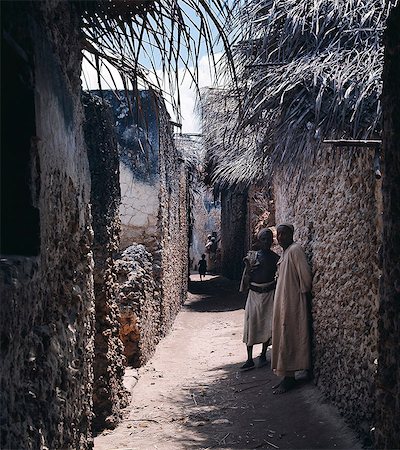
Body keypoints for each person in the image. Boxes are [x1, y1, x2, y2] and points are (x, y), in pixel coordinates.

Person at [271, 223, 312, 394]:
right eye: (279, 234)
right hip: (284, 302)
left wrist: (297, 297)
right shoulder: (286, 252)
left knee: (288, 337)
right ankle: (286, 376)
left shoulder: (295, 250)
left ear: (291, 234)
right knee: (283, 336)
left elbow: (306, 278)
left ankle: (289, 378)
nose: (281, 237)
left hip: (292, 302)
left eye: (284, 234)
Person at [240, 228, 280, 370]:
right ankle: (249, 358)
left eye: (269, 239)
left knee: (268, 325)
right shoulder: (253, 257)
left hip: (269, 295)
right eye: (263, 239)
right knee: (251, 324)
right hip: (254, 294)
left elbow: (278, 276)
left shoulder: (276, 258)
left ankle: (263, 355)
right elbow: (246, 278)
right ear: (259, 240)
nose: (266, 242)